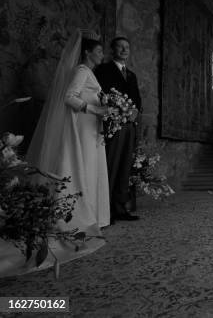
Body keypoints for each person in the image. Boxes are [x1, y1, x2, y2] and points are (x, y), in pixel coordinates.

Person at [1, 30, 110, 277]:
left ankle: (93, 213)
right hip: (82, 130)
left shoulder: (89, 72)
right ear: (87, 52)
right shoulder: (81, 70)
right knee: (81, 168)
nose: (102, 54)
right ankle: (80, 215)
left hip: (89, 130)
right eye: (99, 50)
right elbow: (69, 97)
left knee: (89, 169)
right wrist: (95, 109)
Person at [95, 36, 142, 223]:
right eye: (120, 47)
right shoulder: (103, 69)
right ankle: (106, 212)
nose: (124, 50)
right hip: (113, 125)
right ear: (112, 50)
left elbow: (137, 98)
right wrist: (118, 110)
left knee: (124, 167)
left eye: (127, 47)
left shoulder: (131, 75)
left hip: (130, 125)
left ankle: (120, 208)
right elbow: (101, 94)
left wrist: (135, 111)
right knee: (111, 165)